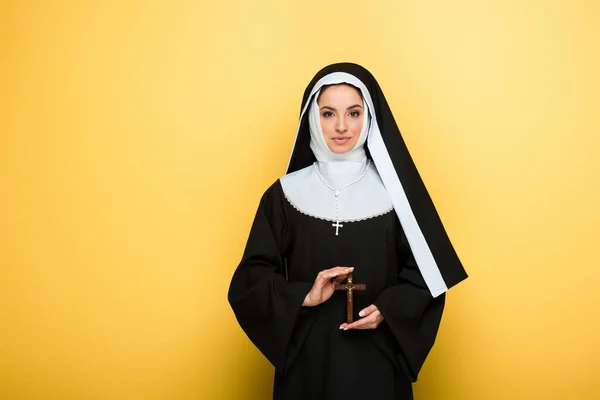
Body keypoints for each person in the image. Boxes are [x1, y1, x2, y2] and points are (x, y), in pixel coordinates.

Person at [228, 62, 468, 400]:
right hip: (306, 365)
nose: (341, 126)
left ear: (369, 117)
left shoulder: (396, 194)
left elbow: (428, 275)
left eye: (353, 113)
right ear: (313, 118)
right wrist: (303, 296)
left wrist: (388, 308)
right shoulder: (284, 194)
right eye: (328, 114)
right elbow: (249, 281)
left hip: (378, 363)